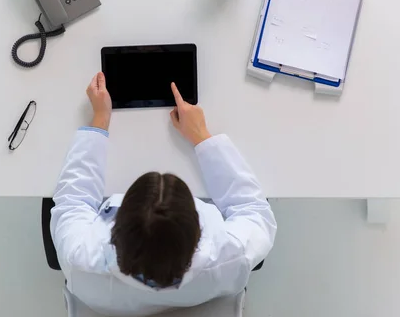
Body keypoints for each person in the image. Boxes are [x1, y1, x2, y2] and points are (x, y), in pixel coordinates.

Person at [51, 72, 277, 317]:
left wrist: (100, 118)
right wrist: (202, 136)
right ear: (197, 229)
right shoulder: (233, 258)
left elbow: (73, 201)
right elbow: (253, 210)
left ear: (117, 225)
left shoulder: (79, 259)